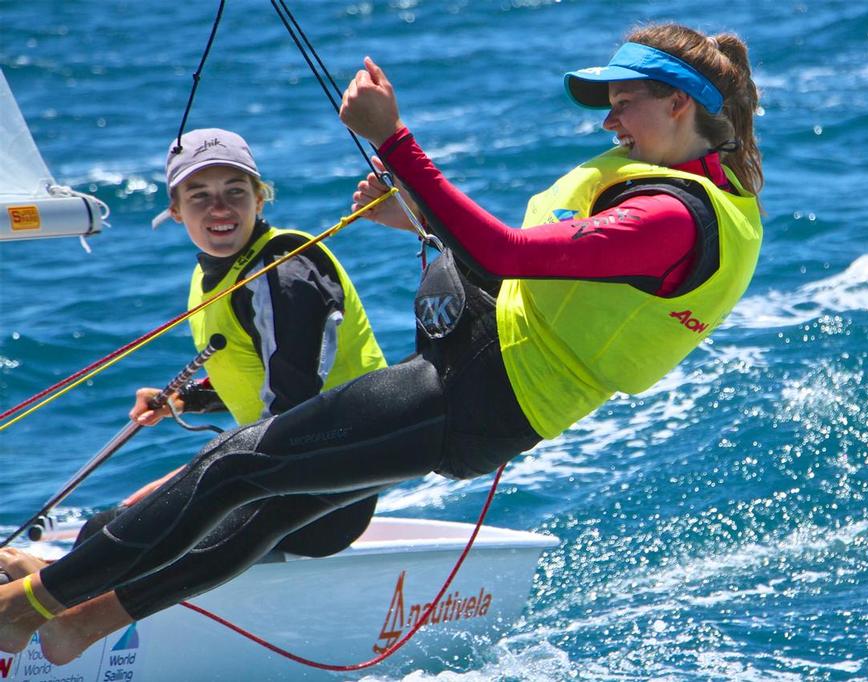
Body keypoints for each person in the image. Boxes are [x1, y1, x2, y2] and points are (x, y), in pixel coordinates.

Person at [0, 23, 763, 664]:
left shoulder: (672, 217)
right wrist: (417, 222)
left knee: (236, 467)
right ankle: (82, 621)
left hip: (477, 396)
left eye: (623, 104)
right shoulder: (668, 190)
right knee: (265, 496)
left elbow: (502, 253)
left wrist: (393, 139)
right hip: (474, 379)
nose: (609, 123)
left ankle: (29, 605)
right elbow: (535, 273)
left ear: (678, 102)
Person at [0, 129, 387, 595]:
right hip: (283, 478)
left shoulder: (285, 271)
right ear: (176, 210)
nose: (219, 209)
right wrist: (184, 400)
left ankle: (42, 589)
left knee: (113, 529)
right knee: (112, 526)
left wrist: (191, 478)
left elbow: (296, 406)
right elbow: (259, 371)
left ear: (260, 200)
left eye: (235, 192)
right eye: (199, 196)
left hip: (326, 497)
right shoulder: (220, 269)